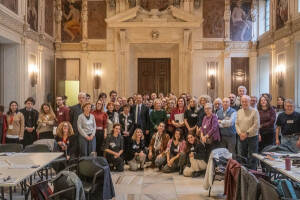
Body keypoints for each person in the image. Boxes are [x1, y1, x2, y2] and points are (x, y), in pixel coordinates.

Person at [235, 95, 260, 169]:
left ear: (249, 102)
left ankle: (253, 173)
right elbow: (236, 124)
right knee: (241, 155)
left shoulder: (255, 111)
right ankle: (243, 173)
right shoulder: (239, 111)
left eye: (246, 101)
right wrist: (240, 133)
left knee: (252, 156)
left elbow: (256, 125)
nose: (244, 103)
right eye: (243, 101)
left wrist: (247, 133)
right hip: (241, 137)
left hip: (252, 137)